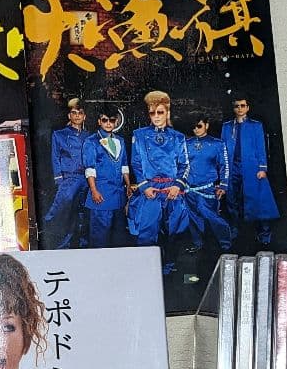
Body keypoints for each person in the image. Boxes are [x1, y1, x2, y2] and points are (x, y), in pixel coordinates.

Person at [128, 90, 190, 275]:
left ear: (167, 112)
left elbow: (185, 164)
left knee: (174, 230)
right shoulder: (139, 135)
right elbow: (136, 163)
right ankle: (145, 269)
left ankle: (169, 267)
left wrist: (177, 185)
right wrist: (144, 186)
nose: (156, 116)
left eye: (160, 112)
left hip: (172, 189)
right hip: (151, 190)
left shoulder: (178, 137)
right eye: (152, 112)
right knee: (147, 231)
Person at [221, 95, 280, 246]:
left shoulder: (256, 125)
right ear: (234, 108)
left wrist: (262, 168)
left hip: (251, 167)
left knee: (259, 199)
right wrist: (223, 169)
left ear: (247, 108)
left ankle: (264, 232)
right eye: (237, 106)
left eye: (242, 105)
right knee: (231, 199)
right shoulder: (227, 127)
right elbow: (222, 150)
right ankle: (234, 228)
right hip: (232, 167)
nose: (240, 109)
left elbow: (261, 147)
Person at [184, 112, 233, 254]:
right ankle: (197, 243)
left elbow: (224, 165)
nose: (196, 129)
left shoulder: (217, 144)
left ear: (207, 125)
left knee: (210, 215)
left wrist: (223, 185)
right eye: (193, 127)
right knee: (192, 217)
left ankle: (226, 243)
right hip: (189, 189)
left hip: (207, 189)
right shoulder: (186, 144)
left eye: (199, 126)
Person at [83, 107, 131, 248]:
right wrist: (94, 191)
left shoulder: (120, 140)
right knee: (100, 237)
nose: (108, 123)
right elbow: (90, 169)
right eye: (105, 120)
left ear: (116, 122)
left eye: (112, 120)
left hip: (119, 197)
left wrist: (128, 185)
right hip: (101, 195)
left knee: (118, 237)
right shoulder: (91, 141)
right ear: (99, 121)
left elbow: (124, 165)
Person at [44, 98, 89, 248]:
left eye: (80, 113)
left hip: (86, 179)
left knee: (83, 213)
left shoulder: (89, 136)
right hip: (69, 178)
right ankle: (61, 245)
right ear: (69, 115)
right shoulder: (59, 135)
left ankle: (82, 245)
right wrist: (59, 179)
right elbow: (55, 157)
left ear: (84, 116)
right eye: (74, 113)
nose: (77, 116)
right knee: (64, 212)